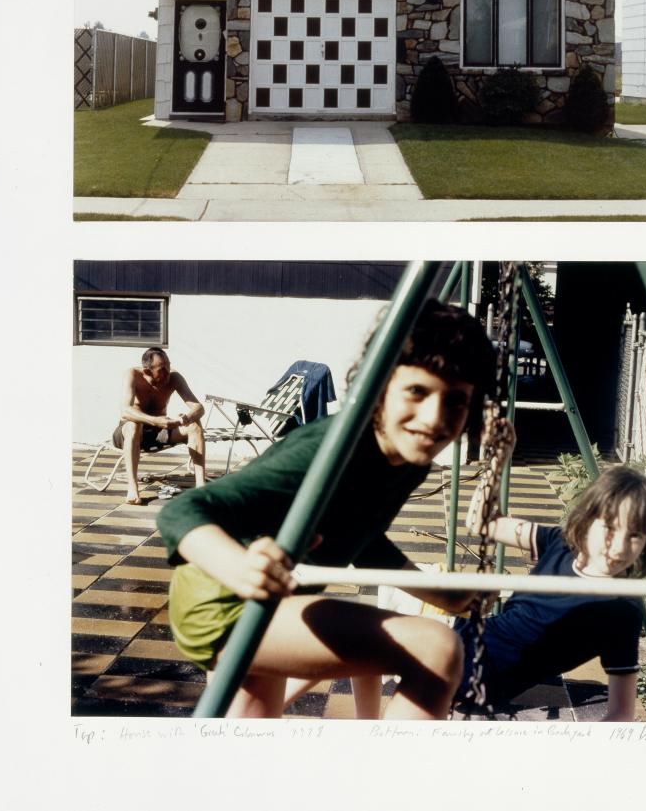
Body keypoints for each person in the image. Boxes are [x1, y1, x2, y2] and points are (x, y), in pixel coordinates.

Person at [157, 300, 496, 719]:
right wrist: (239, 568)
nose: (434, 418)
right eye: (416, 391)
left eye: (457, 401)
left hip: (277, 602)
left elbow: (366, 541)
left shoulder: (409, 463)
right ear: (379, 384)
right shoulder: (329, 449)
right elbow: (182, 510)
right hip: (223, 602)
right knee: (436, 647)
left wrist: (445, 595)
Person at [456, 439, 646, 722]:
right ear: (588, 519)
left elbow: (622, 712)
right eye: (609, 528)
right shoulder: (559, 543)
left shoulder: (622, 610)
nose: (618, 547)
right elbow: (478, 522)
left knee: (382, 638)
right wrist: (497, 461)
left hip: (476, 677)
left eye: (635, 536)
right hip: (464, 634)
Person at [113, 347, 206, 505]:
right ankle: (133, 487)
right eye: (163, 369)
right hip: (130, 433)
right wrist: (155, 421)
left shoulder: (174, 378)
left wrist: (187, 417)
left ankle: (201, 486)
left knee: (194, 425)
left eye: (169, 366)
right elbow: (125, 411)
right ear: (147, 371)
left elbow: (199, 408)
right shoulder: (133, 375)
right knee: (133, 425)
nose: (168, 372)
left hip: (160, 432)